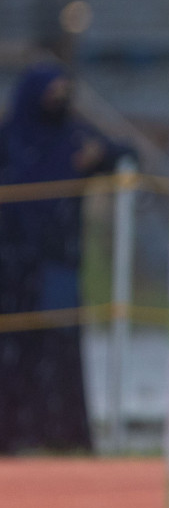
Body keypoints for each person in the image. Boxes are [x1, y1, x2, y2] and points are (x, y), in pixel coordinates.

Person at [0, 62, 130, 453]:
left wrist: (102, 154)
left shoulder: (73, 137)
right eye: (50, 93)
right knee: (13, 350)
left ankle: (60, 434)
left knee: (59, 350)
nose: (57, 101)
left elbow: (127, 155)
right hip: (9, 265)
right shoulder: (9, 139)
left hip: (58, 264)